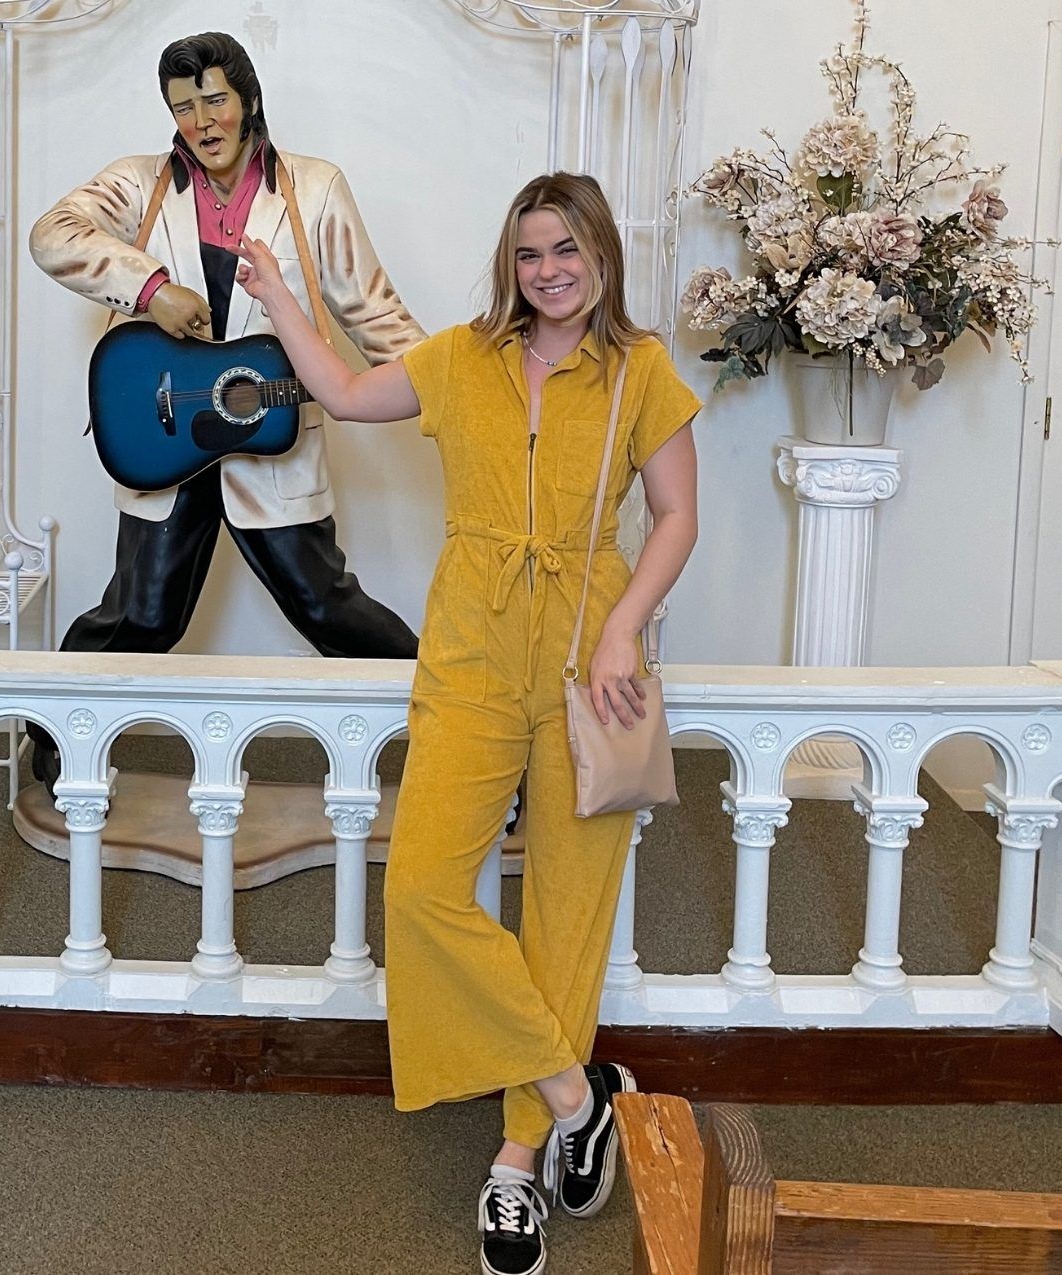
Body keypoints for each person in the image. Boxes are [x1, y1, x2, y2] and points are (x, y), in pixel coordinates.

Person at [234, 171, 700, 1275]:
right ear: (513, 263)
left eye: (569, 250)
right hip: (473, 647)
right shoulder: (460, 357)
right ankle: (578, 1092)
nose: (550, 271)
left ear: (602, 258)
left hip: (595, 655)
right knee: (425, 884)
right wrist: (278, 292)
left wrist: (628, 627)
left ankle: (517, 1163)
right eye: (532, 252)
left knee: (569, 910)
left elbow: (678, 515)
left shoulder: (643, 371)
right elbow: (344, 394)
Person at [25, 31, 424, 790]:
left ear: (246, 99)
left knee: (328, 609)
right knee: (142, 617)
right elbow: (53, 235)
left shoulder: (315, 189)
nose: (201, 120)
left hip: (274, 447)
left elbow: (375, 313)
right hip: (164, 441)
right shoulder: (139, 184)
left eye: (213, 99)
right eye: (183, 107)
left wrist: (455, 383)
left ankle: (457, 734)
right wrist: (148, 288)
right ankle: (54, 742)